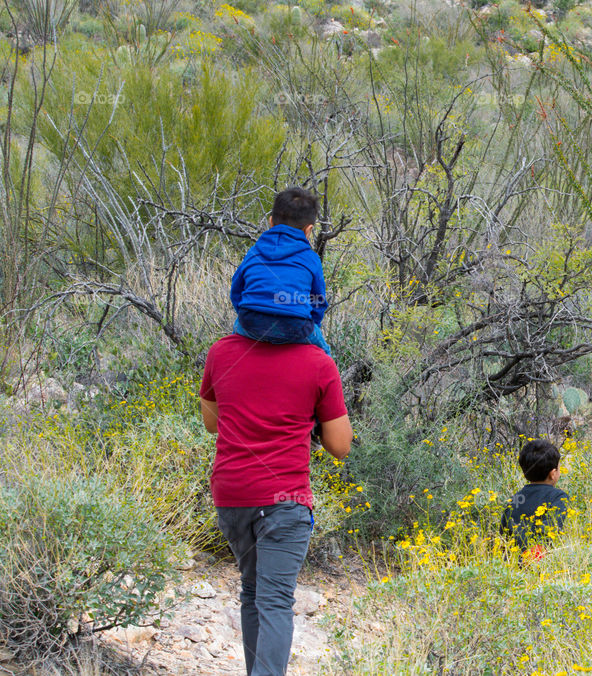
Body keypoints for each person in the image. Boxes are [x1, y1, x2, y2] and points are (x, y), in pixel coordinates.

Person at [199, 333, 351, 676]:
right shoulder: (317, 362)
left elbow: (211, 422)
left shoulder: (221, 351)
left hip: (232, 495)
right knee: (276, 601)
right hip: (285, 500)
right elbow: (340, 447)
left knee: (252, 591)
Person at [230, 186, 332, 356]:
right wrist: (312, 327)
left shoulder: (254, 251)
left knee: (233, 339)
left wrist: (246, 314)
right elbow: (318, 301)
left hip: (251, 321)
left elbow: (236, 290)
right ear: (309, 230)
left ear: (271, 222)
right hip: (295, 326)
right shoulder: (311, 258)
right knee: (325, 354)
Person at [500, 439, 569, 560]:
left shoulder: (515, 499)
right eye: (559, 468)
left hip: (513, 569)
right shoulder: (558, 497)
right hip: (542, 567)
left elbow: (503, 539)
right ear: (553, 473)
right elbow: (551, 534)